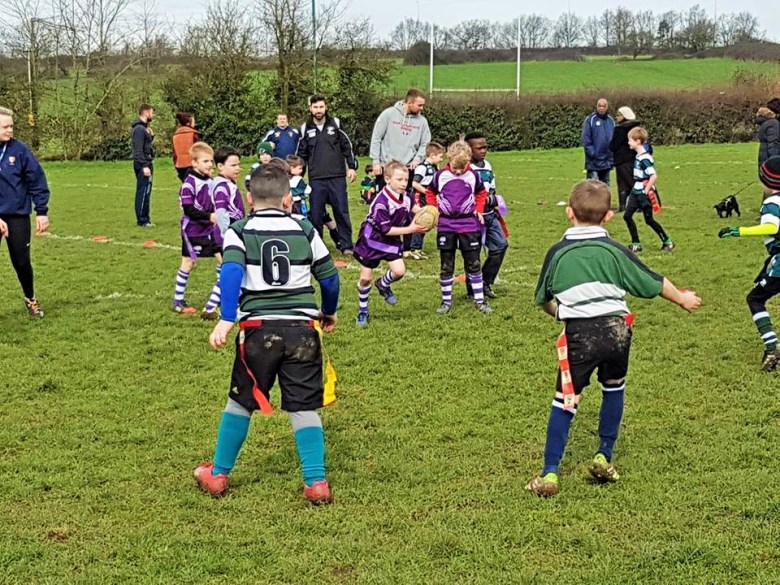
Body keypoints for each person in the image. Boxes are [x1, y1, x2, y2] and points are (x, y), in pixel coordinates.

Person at [527, 180, 701, 498]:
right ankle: (603, 456)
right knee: (614, 388)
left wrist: (560, 313)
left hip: (579, 336)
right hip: (617, 331)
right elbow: (652, 281)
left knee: (565, 401)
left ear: (569, 213)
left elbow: (542, 298)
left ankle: (549, 473)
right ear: (608, 217)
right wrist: (682, 299)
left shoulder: (558, 253)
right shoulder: (616, 251)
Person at [193, 165, 341, 504]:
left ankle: (218, 474)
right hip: (302, 331)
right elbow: (330, 277)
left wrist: (226, 318)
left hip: (258, 331)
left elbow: (231, 271)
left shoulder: (240, 230)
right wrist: (329, 311)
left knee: (240, 401)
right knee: (304, 405)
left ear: (249, 198)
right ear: (288, 199)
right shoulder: (304, 228)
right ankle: (316, 482)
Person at [718, 156, 780, 372]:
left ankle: (772, 347)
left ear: (767, 181)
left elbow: (771, 227)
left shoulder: (772, 203)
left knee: (755, 299)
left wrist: (738, 231)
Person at [353, 161, 427, 327]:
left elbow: (414, 208)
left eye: (406, 179)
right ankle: (362, 310)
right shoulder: (381, 202)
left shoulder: (406, 196)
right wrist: (411, 229)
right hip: (372, 240)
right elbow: (386, 230)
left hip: (391, 239)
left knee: (399, 271)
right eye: (399, 179)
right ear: (387, 179)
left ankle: (383, 284)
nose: (403, 183)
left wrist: (430, 213)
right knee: (365, 278)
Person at [426, 140, 491, 315]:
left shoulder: (473, 176)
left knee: (473, 263)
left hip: (468, 225)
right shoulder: (440, 176)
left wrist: (478, 210)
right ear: (449, 158)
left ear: (468, 161)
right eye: (455, 167)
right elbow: (430, 192)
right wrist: (433, 210)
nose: (458, 171)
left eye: (462, 168)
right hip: (446, 226)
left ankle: (480, 300)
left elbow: (481, 192)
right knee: (446, 265)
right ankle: (446, 301)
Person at [0, 106, 50, 318]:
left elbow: (36, 180)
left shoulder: (20, 150)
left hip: (17, 215)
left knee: (21, 261)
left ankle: (31, 298)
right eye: (5, 127)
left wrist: (42, 211)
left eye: (11, 126)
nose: (10, 130)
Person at [297, 95, 358, 254]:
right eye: (315, 107)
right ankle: (317, 246)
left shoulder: (335, 123)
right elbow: (301, 154)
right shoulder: (305, 128)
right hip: (316, 178)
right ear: (310, 108)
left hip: (337, 176)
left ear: (326, 107)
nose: (318, 110)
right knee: (316, 215)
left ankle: (346, 245)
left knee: (341, 211)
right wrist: (298, 176)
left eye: (321, 107)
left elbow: (347, 146)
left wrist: (352, 167)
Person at [172, 142, 219, 316]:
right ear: (194, 163)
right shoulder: (189, 183)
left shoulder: (210, 181)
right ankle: (178, 301)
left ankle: (217, 299)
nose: (210, 164)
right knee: (188, 263)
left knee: (224, 260)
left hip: (210, 229)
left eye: (211, 161)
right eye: (205, 161)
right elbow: (188, 209)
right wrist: (209, 216)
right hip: (193, 230)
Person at [202, 146, 245, 320]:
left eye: (239, 164)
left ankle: (233, 303)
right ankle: (210, 307)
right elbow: (221, 212)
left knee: (226, 271)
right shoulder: (222, 186)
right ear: (220, 166)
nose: (238, 168)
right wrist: (228, 234)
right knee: (231, 272)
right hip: (225, 236)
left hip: (224, 234)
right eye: (233, 165)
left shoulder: (226, 184)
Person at [465, 132, 508, 298]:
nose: (484, 151)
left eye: (485, 147)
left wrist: (493, 199)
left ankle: (486, 281)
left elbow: (491, 189)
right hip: (473, 218)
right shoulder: (466, 169)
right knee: (473, 253)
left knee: (501, 245)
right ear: (469, 150)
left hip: (490, 215)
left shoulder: (487, 165)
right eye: (479, 148)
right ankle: (472, 287)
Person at [369, 88, 431, 192]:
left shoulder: (422, 122)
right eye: (419, 105)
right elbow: (376, 138)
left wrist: (417, 159)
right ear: (410, 103)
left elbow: (425, 143)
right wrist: (376, 161)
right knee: (385, 199)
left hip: (407, 169)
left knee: (405, 200)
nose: (422, 108)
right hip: (387, 167)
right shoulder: (388, 114)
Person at [624, 127, 674, 252]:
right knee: (627, 216)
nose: (628, 142)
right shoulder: (638, 156)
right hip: (636, 191)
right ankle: (636, 243)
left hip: (643, 193)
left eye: (630, 140)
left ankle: (667, 241)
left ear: (638, 141)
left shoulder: (645, 158)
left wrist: (646, 190)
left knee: (649, 220)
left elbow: (653, 175)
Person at [407, 142, 445, 260]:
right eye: (440, 157)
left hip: (429, 197)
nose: (441, 159)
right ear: (432, 156)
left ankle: (418, 248)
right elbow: (415, 183)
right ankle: (414, 249)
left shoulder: (434, 167)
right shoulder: (422, 167)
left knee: (428, 221)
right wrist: (428, 192)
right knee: (421, 221)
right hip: (420, 197)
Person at [609, 106, 641, 212]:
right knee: (632, 181)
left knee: (624, 183)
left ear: (624, 116)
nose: (616, 117)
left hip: (621, 159)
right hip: (634, 158)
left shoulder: (620, 129)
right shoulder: (637, 128)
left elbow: (613, 146)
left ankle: (626, 205)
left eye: (619, 115)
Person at [131, 104, 155, 227]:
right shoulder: (139, 130)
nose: (152, 115)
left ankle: (146, 218)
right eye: (151, 112)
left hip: (147, 162)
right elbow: (138, 150)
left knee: (147, 191)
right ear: (146, 113)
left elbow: (146, 146)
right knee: (143, 191)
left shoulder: (145, 129)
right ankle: (142, 219)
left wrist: (151, 136)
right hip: (143, 164)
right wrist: (144, 165)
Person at [581, 98, 615, 185]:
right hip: (594, 162)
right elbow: (586, 139)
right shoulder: (590, 120)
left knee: (605, 186)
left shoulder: (611, 121)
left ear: (607, 107)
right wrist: (593, 154)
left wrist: (611, 155)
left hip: (606, 161)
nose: (601, 108)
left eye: (604, 106)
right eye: (600, 106)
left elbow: (614, 138)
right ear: (596, 106)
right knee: (593, 186)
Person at [172, 111, 200, 182]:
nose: (194, 124)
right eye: (193, 122)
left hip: (179, 166)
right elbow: (199, 151)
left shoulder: (175, 135)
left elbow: (174, 154)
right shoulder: (194, 134)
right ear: (188, 123)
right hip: (192, 165)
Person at [756, 107, 780, 172]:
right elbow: (773, 142)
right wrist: (774, 159)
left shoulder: (763, 124)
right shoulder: (773, 123)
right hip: (770, 155)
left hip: (763, 153)